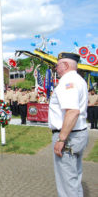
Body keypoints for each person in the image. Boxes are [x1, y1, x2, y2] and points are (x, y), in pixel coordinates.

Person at [48, 52, 88, 197]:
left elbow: (72, 111)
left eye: (57, 65)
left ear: (65, 65)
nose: (56, 69)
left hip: (68, 136)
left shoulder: (67, 82)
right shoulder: (79, 80)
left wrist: (61, 139)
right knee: (75, 177)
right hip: (78, 133)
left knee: (67, 182)